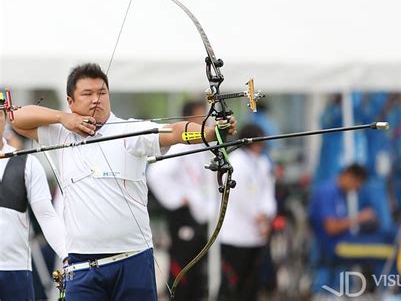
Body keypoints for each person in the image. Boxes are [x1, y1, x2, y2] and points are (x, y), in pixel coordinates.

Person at [11, 63, 237, 300]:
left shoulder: (131, 131)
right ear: (70, 101)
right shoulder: (59, 133)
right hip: (82, 264)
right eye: (87, 94)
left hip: (133, 259)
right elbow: (16, 118)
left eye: (102, 92)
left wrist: (208, 132)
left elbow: (174, 131)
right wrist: (63, 119)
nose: (96, 99)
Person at [146, 100, 216, 301]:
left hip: (200, 215)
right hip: (184, 215)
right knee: (182, 265)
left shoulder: (202, 146)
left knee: (197, 269)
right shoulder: (178, 146)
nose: (203, 121)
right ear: (188, 119)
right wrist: (178, 199)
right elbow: (156, 174)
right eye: (199, 117)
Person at [0, 104, 67, 300]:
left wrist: (66, 254)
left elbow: (46, 216)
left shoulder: (27, 163)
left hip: (15, 269)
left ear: (4, 118)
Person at [308, 164, 394, 295]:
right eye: (357, 184)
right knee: (389, 251)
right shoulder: (328, 191)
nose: (356, 189)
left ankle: (386, 291)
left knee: (386, 238)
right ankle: (389, 293)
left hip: (344, 242)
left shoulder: (339, 192)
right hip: (337, 246)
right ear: (349, 176)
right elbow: (331, 227)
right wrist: (360, 218)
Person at [217, 124, 276, 301]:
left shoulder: (263, 162)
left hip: (257, 234)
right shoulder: (236, 161)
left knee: (252, 284)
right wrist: (256, 215)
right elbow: (237, 193)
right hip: (236, 234)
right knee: (232, 283)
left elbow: (267, 191)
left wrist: (266, 215)